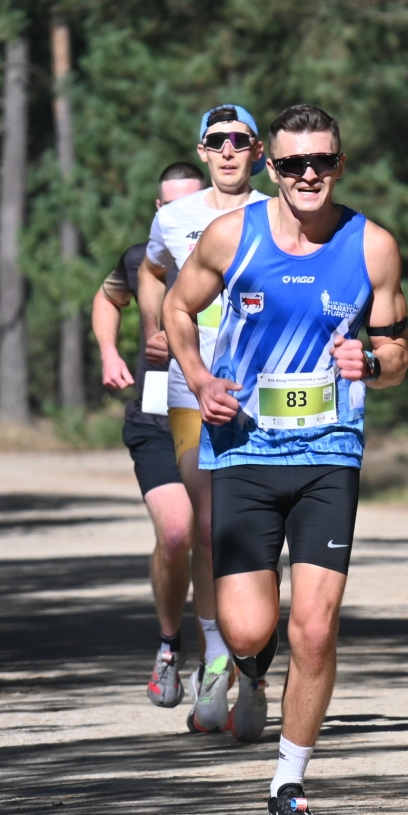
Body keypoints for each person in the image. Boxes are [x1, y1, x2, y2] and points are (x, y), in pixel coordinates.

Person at [167, 103, 408, 815]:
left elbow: (399, 352)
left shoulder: (371, 246)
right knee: (249, 629)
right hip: (242, 451)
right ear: (272, 168)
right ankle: (249, 666)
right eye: (295, 163)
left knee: (315, 627)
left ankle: (288, 786)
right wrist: (199, 379)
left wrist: (372, 362)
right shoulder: (230, 237)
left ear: (340, 164)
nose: (309, 174)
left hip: (328, 454)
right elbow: (177, 308)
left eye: (322, 161)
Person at [139, 105, 271, 735]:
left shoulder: (279, 211)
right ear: (202, 149)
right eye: (216, 141)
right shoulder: (175, 217)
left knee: (260, 537)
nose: (227, 151)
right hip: (190, 391)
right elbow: (151, 271)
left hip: (263, 391)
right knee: (210, 528)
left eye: (238, 140)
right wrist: (156, 326)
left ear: (258, 150)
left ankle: (255, 666)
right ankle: (218, 660)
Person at [92, 160, 206, 708]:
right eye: (172, 205)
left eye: (192, 203)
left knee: (218, 539)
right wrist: (109, 352)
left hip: (218, 417)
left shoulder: (236, 255)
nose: (182, 214)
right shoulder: (141, 259)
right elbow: (106, 298)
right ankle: (168, 645)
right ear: (159, 211)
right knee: (178, 532)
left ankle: (222, 660)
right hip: (156, 419)